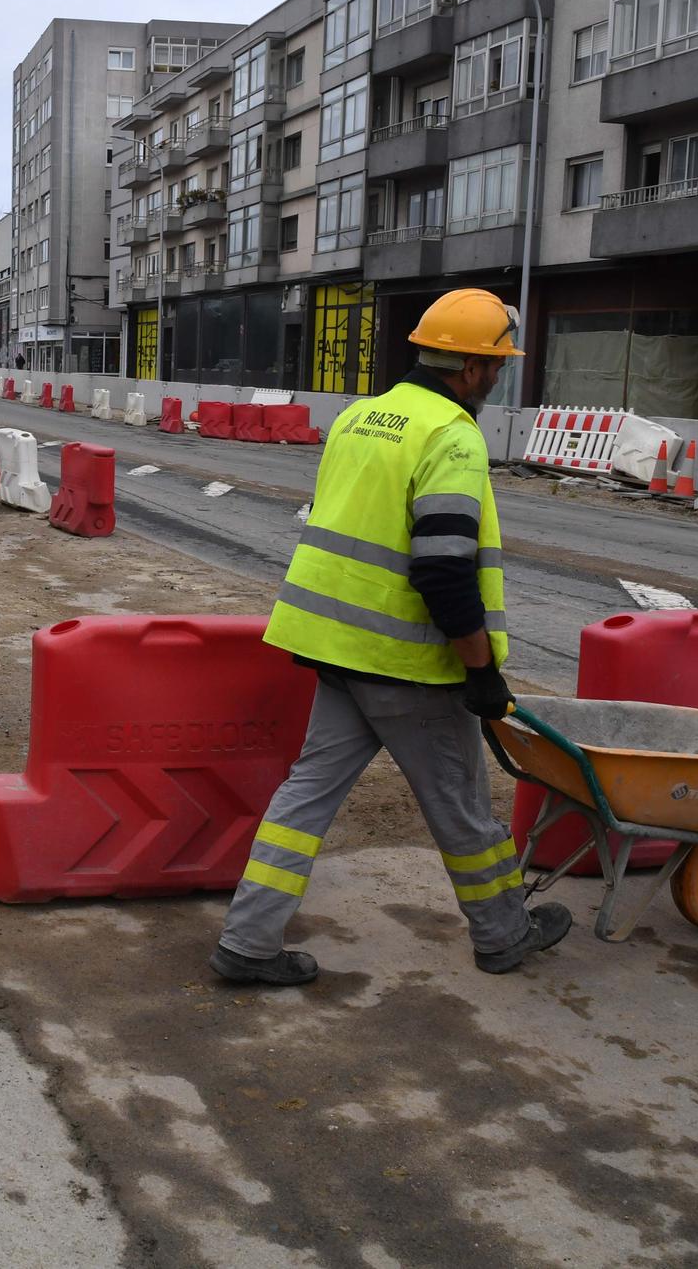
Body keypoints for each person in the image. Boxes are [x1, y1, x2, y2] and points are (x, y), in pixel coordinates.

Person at [211, 287, 572, 984]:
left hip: (336, 649)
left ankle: (247, 941)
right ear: (472, 367)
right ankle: (504, 933)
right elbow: (444, 569)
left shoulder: (361, 415)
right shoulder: (452, 435)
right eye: (497, 367)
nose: (497, 379)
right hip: (407, 662)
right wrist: (481, 670)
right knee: (463, 805)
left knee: (305, 797)